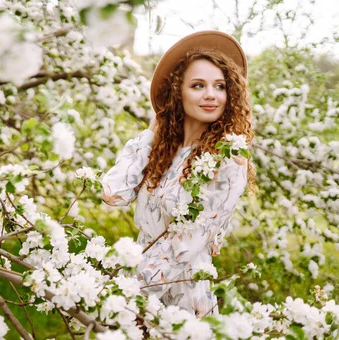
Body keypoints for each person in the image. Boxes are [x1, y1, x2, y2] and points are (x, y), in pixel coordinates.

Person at [102, 30, 254, 317]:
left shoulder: (228, 159)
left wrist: (120, 296)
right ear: (178, 92)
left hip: (182, 297)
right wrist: (151, 133)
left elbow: (183, 247)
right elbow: (114, 194)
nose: (211, 95)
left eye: (220, 86)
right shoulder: (163, 151)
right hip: (138, 288)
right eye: (198, 85)